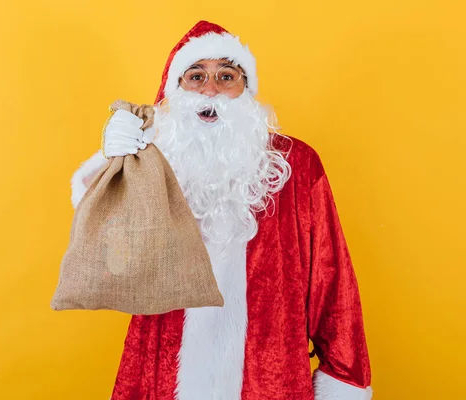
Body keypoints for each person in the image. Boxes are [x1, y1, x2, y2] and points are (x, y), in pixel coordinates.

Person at [70, 21, 372, 400]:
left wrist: (344, 374)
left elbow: (331, 279)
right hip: (165, 368)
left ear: (247, 89)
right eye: (195, 76)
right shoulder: (152, 159)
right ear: (174, 92)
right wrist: (113, 161)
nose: (210, 89)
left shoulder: (297, 164)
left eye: (226, 76)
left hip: (268, 371)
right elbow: (114, 255)